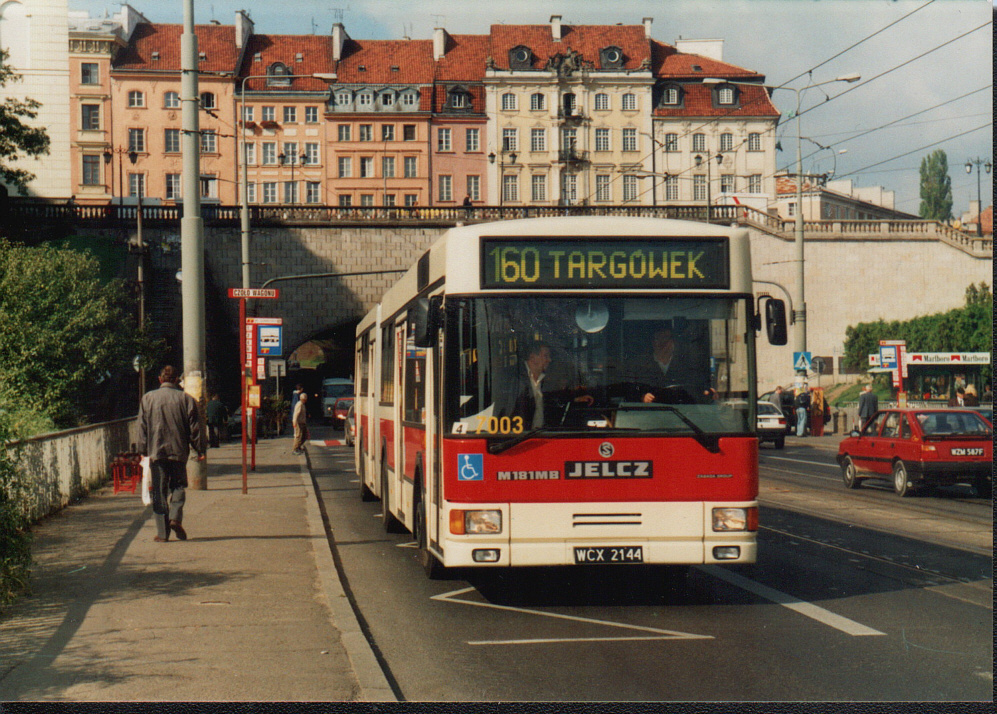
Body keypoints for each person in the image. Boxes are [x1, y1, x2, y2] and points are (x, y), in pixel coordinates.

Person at [137, 365, 206, 543]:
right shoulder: (186, 399)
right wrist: (200, 449)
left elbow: (142, 427)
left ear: (160, 379)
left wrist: (142, 450)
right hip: (178, 451)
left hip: (156, 452)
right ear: (177, 380)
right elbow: (195, 429)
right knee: (178, 485)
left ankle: (162, 533)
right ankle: (175, 517)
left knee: (159, 491)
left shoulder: (147, 399)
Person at [624, 325, 704, 403]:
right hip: (649, 413)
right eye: (658, 338)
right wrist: (642, 397)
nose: (662, 343)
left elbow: (695, 392)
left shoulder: (685, 364)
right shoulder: (639, 365)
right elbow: (629, 391)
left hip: (680, 413)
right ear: (653, 342)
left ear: (673, 341)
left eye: (665, 338)